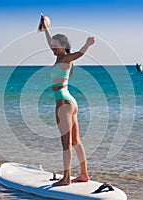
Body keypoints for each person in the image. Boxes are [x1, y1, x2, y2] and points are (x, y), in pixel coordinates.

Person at [41, 15, 95, 186]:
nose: (52, 49)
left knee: (66, 144)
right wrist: (46, 28)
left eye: (56, 47)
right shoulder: (59, 57)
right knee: (75, 141)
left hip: (64, 104)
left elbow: (78, 54)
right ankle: (84, 175)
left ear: (63, 47)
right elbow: (50, 42)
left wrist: (87, 44)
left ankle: (66, 179)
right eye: (52, 47)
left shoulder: (65, 59)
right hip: (69, 101)